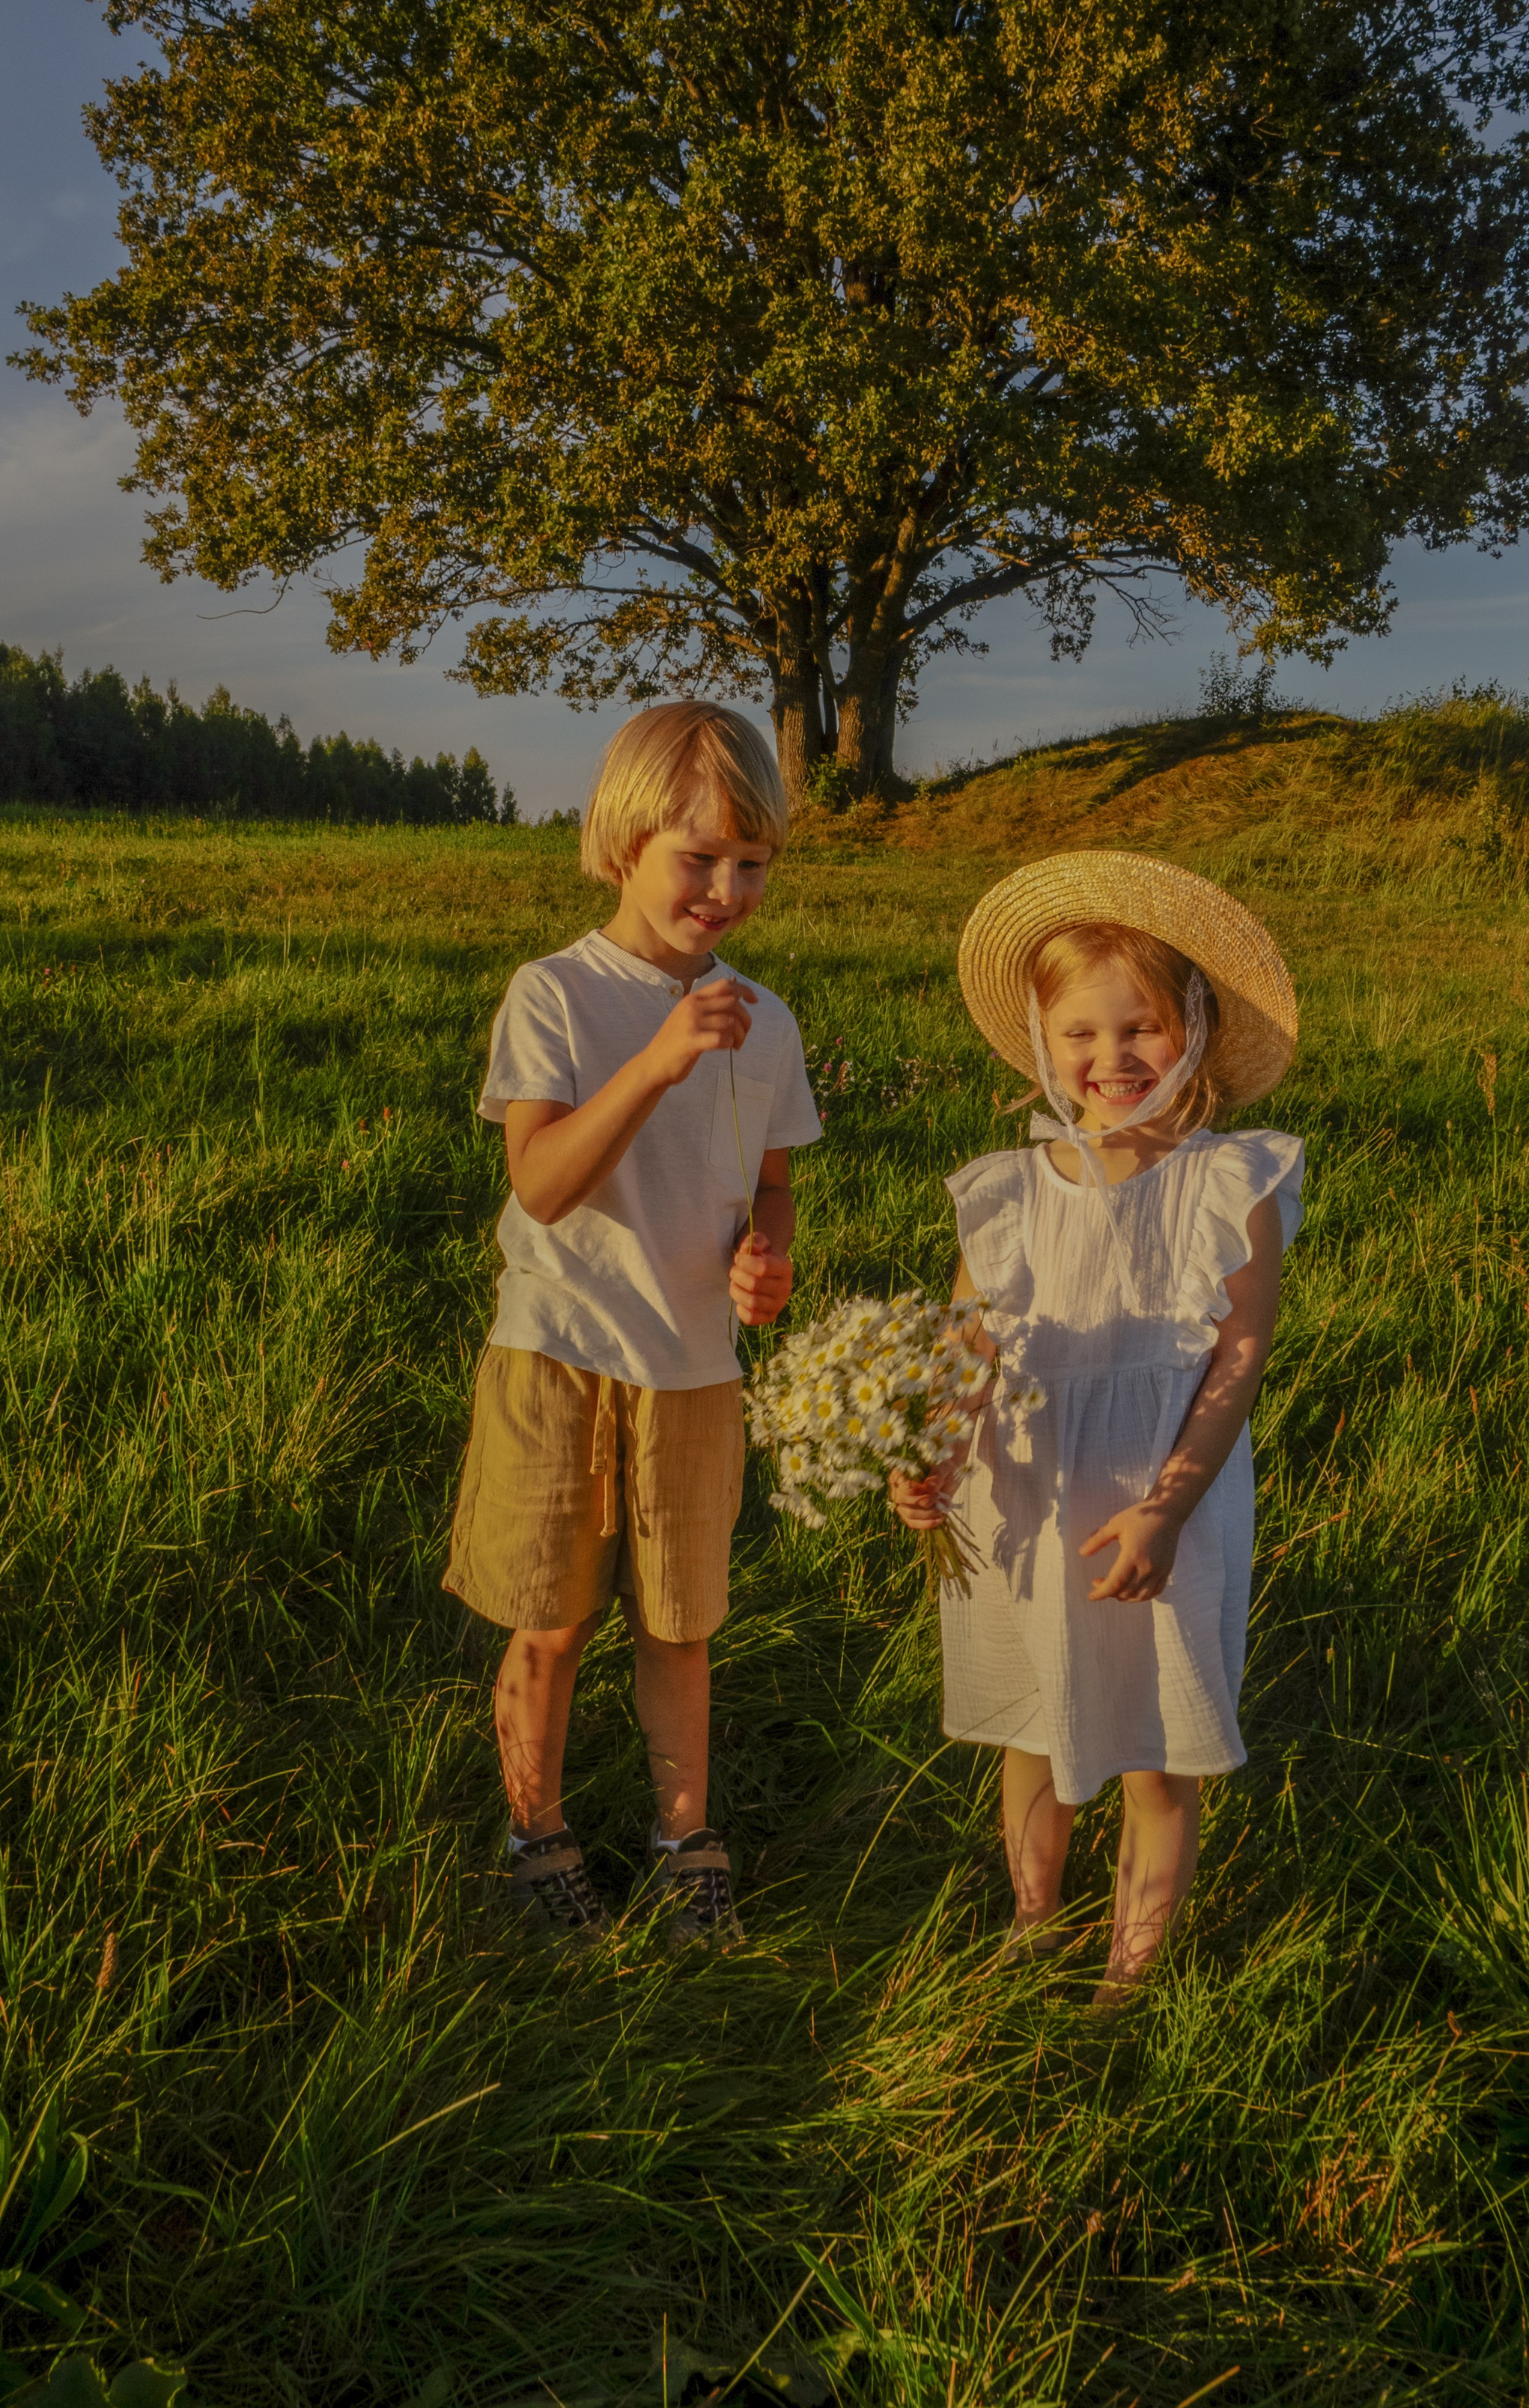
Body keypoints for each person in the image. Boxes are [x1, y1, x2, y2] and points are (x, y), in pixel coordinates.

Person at [890, 851, 1302, 2003]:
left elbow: (1242, 1351)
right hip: (1029, 1494)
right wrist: (929, 1451)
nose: (1111, 1059)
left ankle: (1132, 1974)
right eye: (1081, 1033)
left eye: (1143, 1029)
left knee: (1161, 1743)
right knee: (1037, 1718)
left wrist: (1169, 1504)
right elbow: (971, 1349)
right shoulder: (1011, 1192)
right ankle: (1034, 1922)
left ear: (1197, 1029)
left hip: (1164, 1496)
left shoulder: (1232, 1184)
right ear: (1040, 1039)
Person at [444, 701, 821, 1951]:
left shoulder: (765, 1018)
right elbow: (542, 1182)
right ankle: (535, 1835)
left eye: (751, 863)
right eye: (697, 857)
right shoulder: (554, 994)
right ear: (622, 842)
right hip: (560, 1351)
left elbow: (765, 1173)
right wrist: (657, 1061)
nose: (725, 888)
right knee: (550, 1618)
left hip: (694, 1365)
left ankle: (684, 1838)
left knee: (682, 1620)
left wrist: (766, 1252)